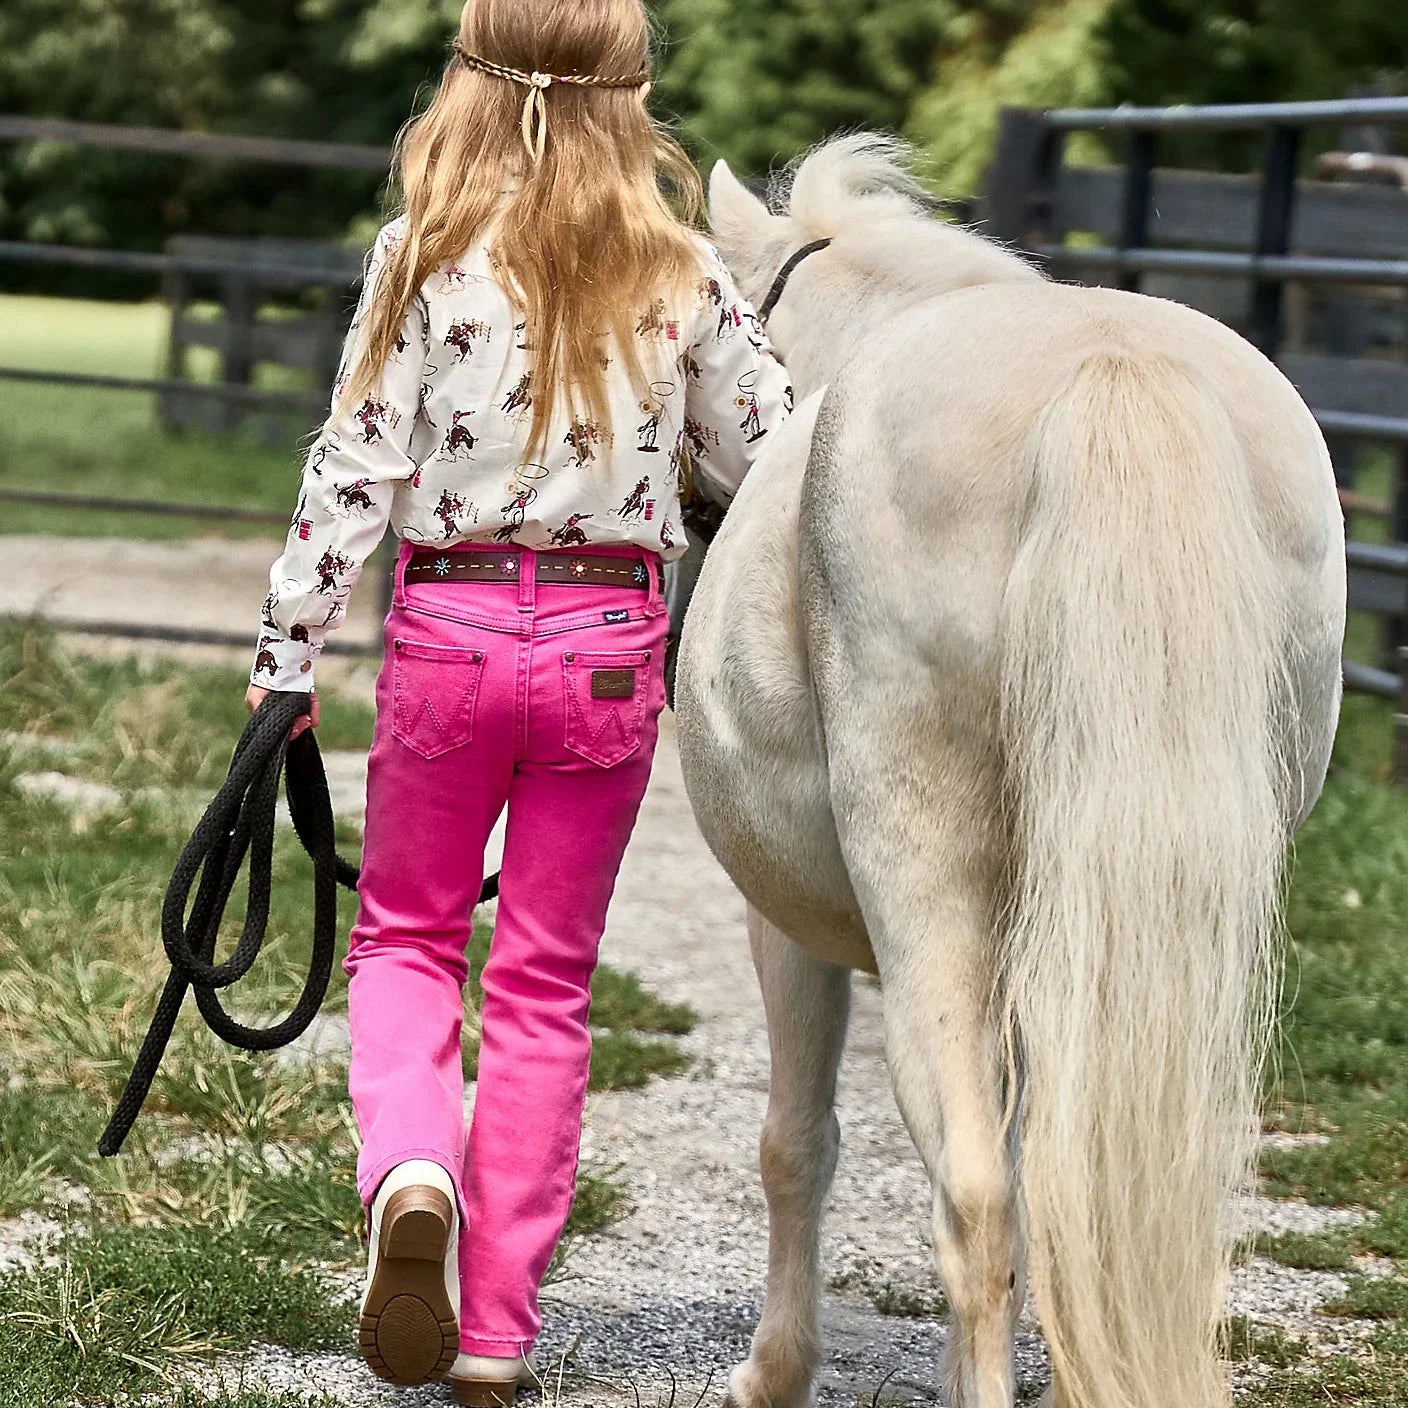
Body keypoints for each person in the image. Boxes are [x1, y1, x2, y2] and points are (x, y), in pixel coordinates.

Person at [243, 2, 792, 1403]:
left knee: (408, 941)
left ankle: (414, 1176)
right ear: (633, 100)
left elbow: (352, 467)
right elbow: (780, 455)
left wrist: (286, 660)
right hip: (611, 639)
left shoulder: (419, 258)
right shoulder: (683, 267)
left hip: (451, 630)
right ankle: (494, 1334)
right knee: (543, 986)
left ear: (467, 87)